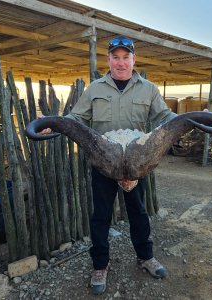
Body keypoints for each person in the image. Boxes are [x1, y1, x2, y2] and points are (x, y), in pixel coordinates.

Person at [41, 36, 177, 295]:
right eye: (116, 57)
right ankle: (100, 265)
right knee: (101, 216)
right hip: (104, 164)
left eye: (126, 57)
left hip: (136, 166)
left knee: (138, 213)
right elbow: (76, 118)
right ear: (109, 60)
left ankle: (146, 257)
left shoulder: (149, 89)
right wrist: (55, 123)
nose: (121, 62)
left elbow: (165, 117)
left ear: (134, 59)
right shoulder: (94, 89)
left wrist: (189, 119)